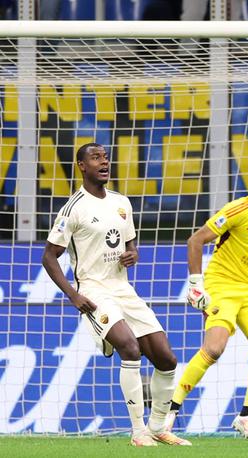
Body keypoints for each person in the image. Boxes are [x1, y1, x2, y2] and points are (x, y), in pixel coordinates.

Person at [42, 143, 189, 447]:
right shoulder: (73, 208)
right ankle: (138, 432)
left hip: (123, 288)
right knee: (130, 348)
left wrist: (132, 254)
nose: (104, 162)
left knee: (166, 358)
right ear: (82, 165)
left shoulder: (122, 202)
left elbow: (130, 244)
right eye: (96, 158)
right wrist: (73, 294)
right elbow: (49, 256)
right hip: (94, 291)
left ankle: (159, 426)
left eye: (106, 157)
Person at [165, 160, 248, 440]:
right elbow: (195, 241)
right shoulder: (241, 208)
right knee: (214, 348)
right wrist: (195, 284)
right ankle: (171, 407)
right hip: (221, 283)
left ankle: (247, 416)